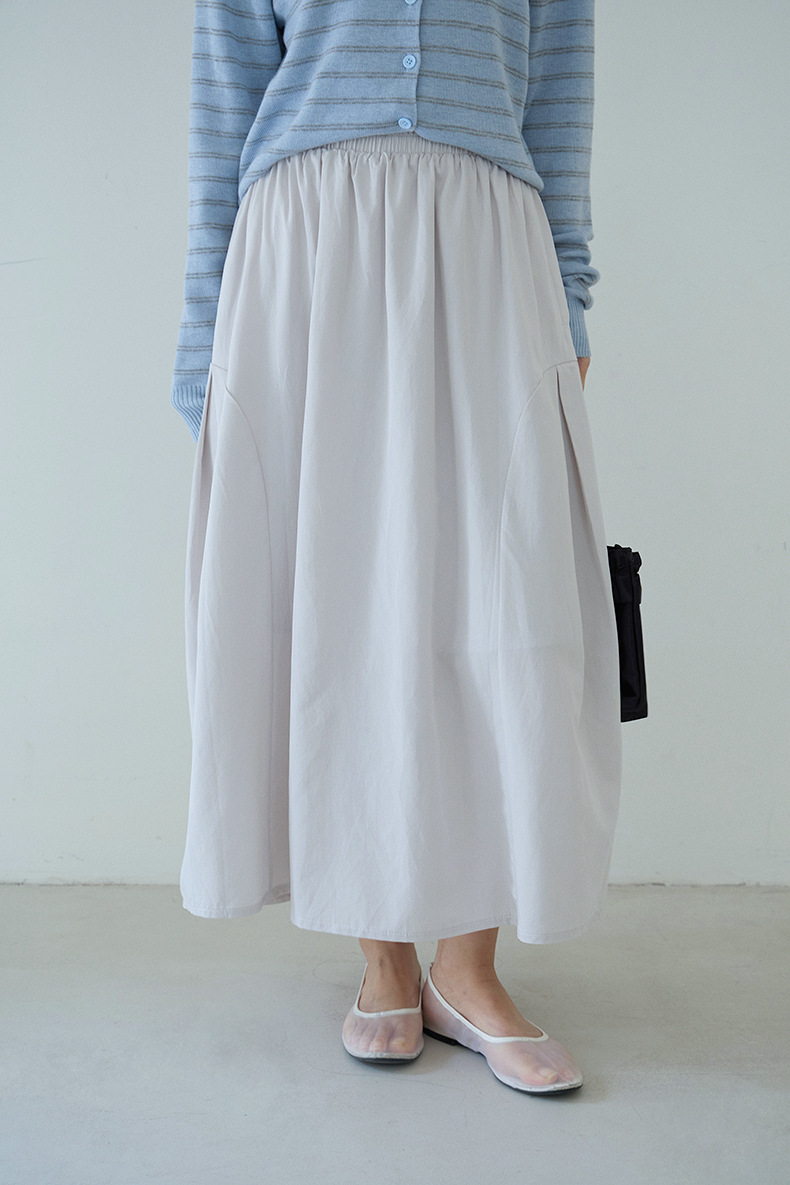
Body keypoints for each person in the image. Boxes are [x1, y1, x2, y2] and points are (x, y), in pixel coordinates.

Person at [171, 0, 622, 1096]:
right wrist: (201, 335)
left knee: (502, 610)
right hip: (304, 260)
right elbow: (223, 117)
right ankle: (381, 956)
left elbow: (558, 107)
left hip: (487, 254)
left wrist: (567, 300)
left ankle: (467, 968)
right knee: (341, 604)